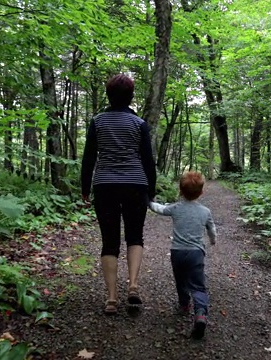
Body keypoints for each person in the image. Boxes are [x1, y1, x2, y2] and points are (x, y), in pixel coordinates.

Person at [81, 73, 156, 315]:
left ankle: (111, 298)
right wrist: (151, 191)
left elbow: (89, 157)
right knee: (135, 237)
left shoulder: (98, 122)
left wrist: (85, 188)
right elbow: (147, 160)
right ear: (131, 97)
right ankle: (133, 285)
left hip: (104, 186)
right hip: (136, 184)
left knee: (109, 242)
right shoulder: (139, 124)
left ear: (108, 95)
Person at [148, 171, 216, 339]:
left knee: (181, 280)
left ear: (180, 190)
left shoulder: (176, 207)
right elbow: (212, 229)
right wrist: (213, 241)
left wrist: (148, 202)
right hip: (196, 253)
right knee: (198, 285)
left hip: (177, 252)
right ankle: (200, 313)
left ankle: (184, 304)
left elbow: (160, 209)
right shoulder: (205, 211)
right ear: (201, 192)